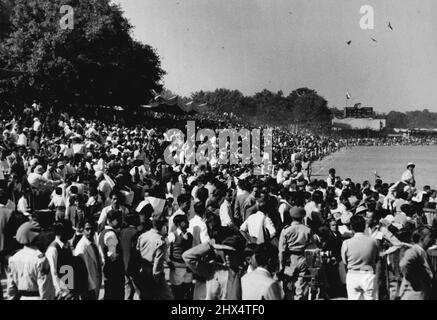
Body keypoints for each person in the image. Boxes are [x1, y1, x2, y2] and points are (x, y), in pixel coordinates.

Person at [183, 235, 245, 300]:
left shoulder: (245, 274)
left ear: (239, 254)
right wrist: (210, 246)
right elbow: (187, 257)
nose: (227, 256)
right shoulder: (214, 270)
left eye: (231, 253)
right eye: (225, 253)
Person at [6, 221, 55, 300]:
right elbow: (45, 289)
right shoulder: (41, 260)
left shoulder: (13, 258)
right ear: (37, 237)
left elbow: (11, 287)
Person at [278, 206, 318, 300]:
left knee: (288, 284)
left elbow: (282, 250)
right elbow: (312, 246)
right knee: (301, 283)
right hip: (303, 258)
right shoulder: (307, 229)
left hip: (290, 259)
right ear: (302, 217)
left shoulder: (286, 230)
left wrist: (281, 265)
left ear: (291, 217)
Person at [341, 215, 379, 300]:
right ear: (364, 225)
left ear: (351, 227)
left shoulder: (346, 243)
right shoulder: (373, 241)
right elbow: (376, 259)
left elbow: (345, 262)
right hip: (369, 275)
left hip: (353, 275)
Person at [136, 215, 174, 300]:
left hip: (142, 271)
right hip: (154, 274)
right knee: (167, 297)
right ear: (163, 226)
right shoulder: (160, 241)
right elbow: (158, 262)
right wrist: (156, 278)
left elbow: (137, 252)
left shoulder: (142, 236)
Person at [399, 226, 435, 300]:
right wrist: (413, 280)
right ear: (422, 239)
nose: (433, 239)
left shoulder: (423, 252)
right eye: (430, 237)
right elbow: (404, 264)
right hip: (413, 295)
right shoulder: (414, 251)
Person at [98, 209, 125, 300]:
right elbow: (112, 256)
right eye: (118, 219)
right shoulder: (111, 234)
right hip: (114, 271)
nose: (120, 221)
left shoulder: (103, 232)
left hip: (108, 270)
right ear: (110, 220)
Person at [74, 219, 102, 300]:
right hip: (88, 287)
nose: (90, 231)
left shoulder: (93, 242)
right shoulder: (81, 247)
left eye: (92, 229)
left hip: (95, 281)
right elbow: (81, 270)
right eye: (87, 229)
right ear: (82, 230)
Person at [168, 214, 193, 300]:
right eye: (185, 221)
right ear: (178, 223)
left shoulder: (189, 236)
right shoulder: (172, 235)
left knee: (186, 291)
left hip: (187, 268)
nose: (188, 222)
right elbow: (166, 250)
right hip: (176, 268)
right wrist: (169, 262)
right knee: (177, 293)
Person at [119, 212, 141, 300]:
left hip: (123, 266)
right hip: (134, 267)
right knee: (139, 292)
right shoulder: (136, 233)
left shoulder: (122, 232)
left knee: (128, 291)